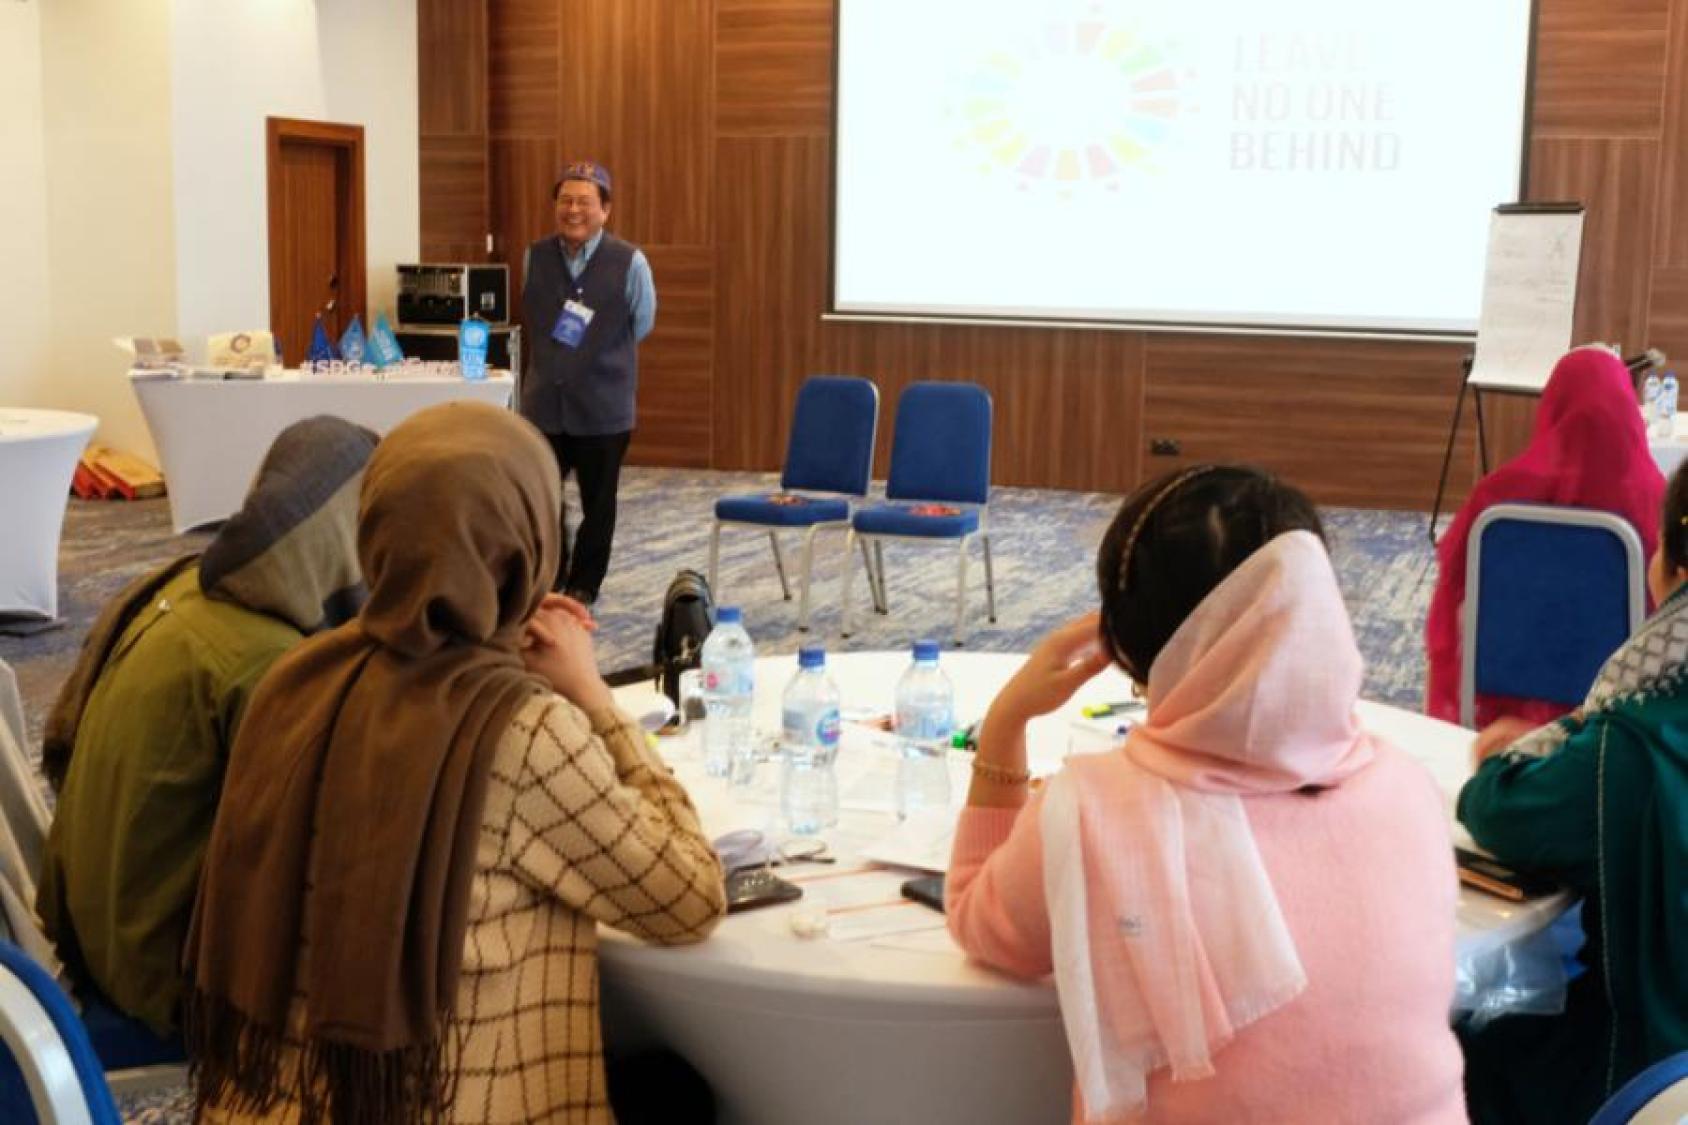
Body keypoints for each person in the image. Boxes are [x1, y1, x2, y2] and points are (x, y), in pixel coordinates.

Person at [182, 400, 724, 1124]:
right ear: (529, 548)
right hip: (438, 1103)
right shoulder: (522, 733)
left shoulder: (295, 681)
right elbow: (688, 897)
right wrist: (593, 694)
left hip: (272, 1103)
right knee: (680, 1090)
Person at [947, 465, 1465, 1123]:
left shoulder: (1091, 811)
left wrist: (1006, 720)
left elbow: (977, 922)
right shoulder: (1408, 787)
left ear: (1126, 645)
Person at [35, 415, 377, 1036]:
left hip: (89, 922)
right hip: (159, 974)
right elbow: (323, 857)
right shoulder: (269, 665)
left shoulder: (180, 582)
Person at [1456, 459, 1688, 1124]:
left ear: (1670, 563)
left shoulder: (1629, 742)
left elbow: (1496, 808)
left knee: (1457, 1046)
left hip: (1644, 1077)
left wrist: (1552, 737)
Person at [1425, 345, 1663, 728]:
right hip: (1621, 700)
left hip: (1510, 694)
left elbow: (1453, 586)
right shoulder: (1655, 501)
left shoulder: (1496, 496)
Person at [520, 159, 657, 607]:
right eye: (565, 200)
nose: (573, 210)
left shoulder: (629, 261)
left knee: (600, 503)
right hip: (544, 406)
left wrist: (599, 356)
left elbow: (641, 322)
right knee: (541, 496)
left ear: (606, 209)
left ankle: (584, 583)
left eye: (584, 201)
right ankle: (549, 573)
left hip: (604, 407)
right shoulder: (534, 256)